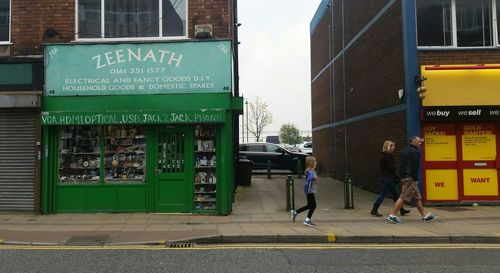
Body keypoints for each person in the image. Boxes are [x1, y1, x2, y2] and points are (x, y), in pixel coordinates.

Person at [387, 136, 436, 224]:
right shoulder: (415, 152)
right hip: (410, 178)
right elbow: (414, 166)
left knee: (417, 197)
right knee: (403, 197)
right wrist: (415, 178)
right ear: (413, 142)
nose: (420, 143)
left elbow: (402, 165)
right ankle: (392, 215)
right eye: (418, 142)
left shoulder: (404, 151)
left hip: (405, 176)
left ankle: (425, 216)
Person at [370, 140, 410, 217]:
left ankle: (401, 210)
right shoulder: (389, 156)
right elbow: (391, 167)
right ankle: (374, 210)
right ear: (389, 147)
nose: (394, 148)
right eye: (392, 146)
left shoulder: (383, 155)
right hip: (388, 178)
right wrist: (395, 167)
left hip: (386, 177)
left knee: (396, 194)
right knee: (382, 194)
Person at [291, 156, 318, 227]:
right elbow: (309, 180)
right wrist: (313, 179)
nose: (316, 162)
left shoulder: (310, 171)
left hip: (309, 191)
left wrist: (314, 179)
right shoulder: (311, 172)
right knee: (313, 205)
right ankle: (307, 220)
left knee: (309, 205)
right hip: (310, 191)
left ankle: (295, 212)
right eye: (315, 161)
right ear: (312, 163)